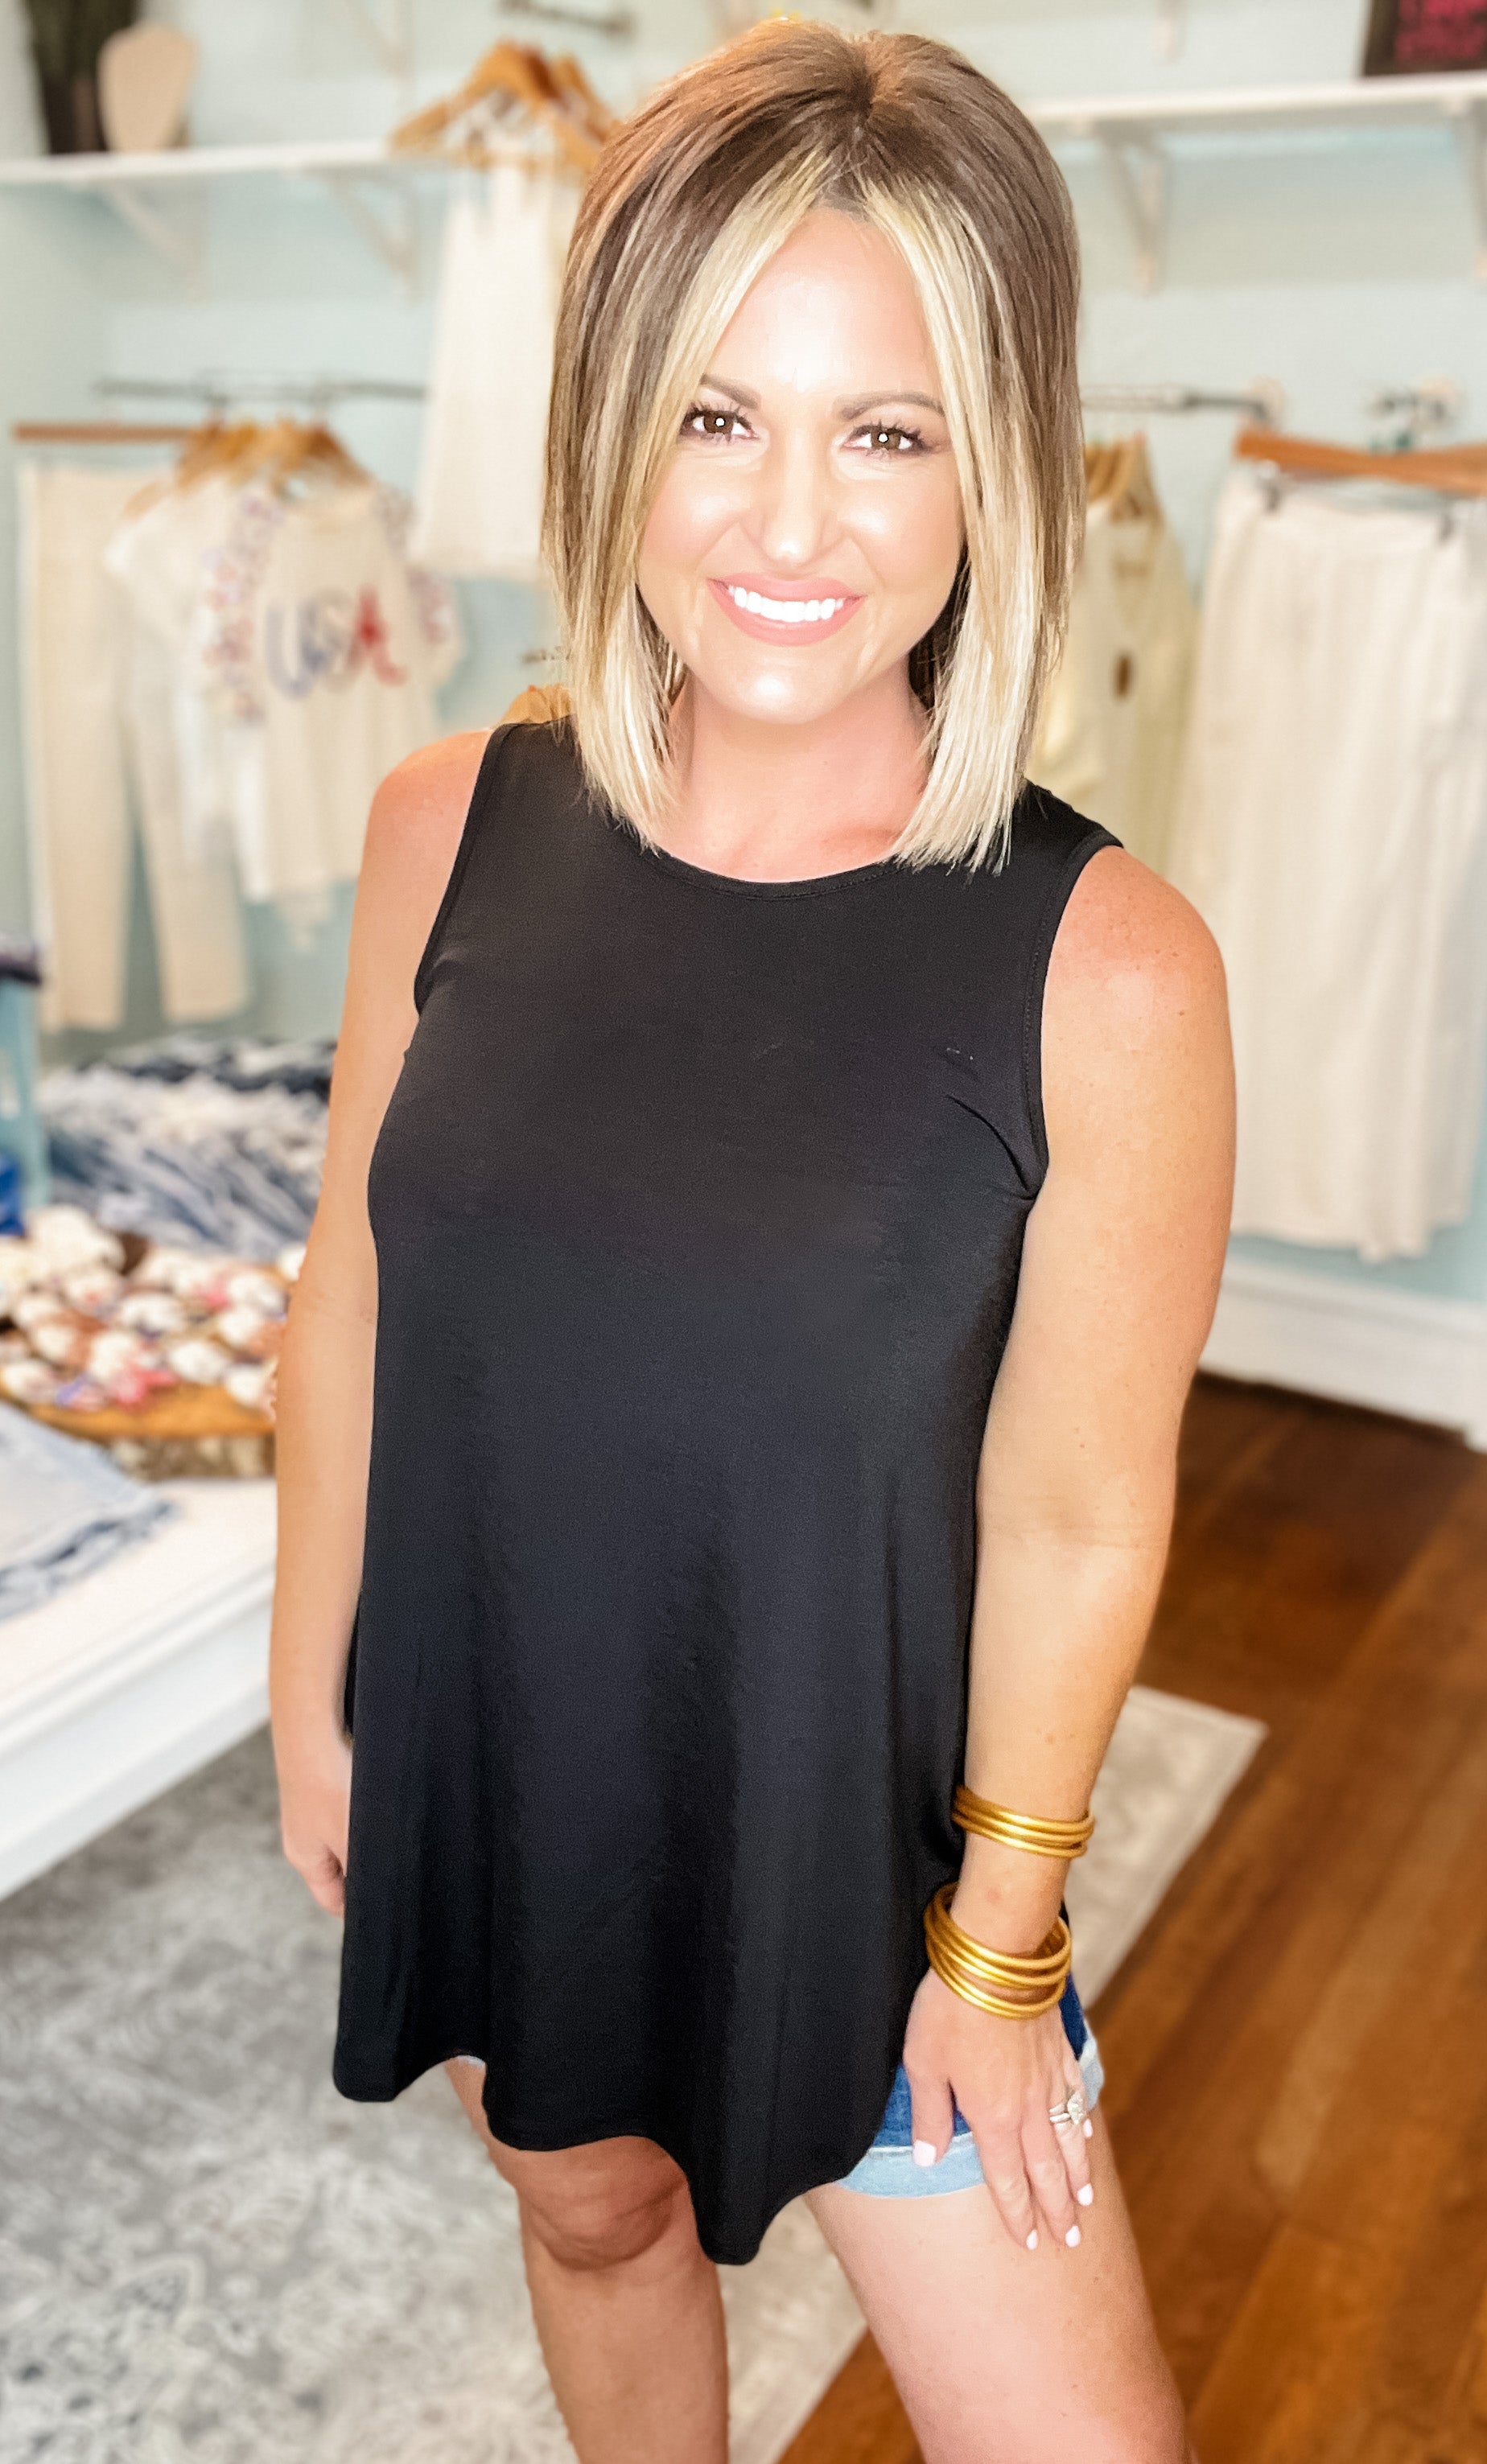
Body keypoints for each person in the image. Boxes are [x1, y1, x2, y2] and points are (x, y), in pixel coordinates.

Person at [269, 23, 1233, 2463]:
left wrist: (1000, 1946)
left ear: (995, 460)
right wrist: (316, 1687)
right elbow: (355, 1291)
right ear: (611, 425)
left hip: (877, 1856)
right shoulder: (444, 827)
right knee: (590, 2213)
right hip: (522, 1757)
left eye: (887, 432)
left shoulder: (1108, 966)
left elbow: (1081, 1515)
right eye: (717, 414)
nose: (790, 520)